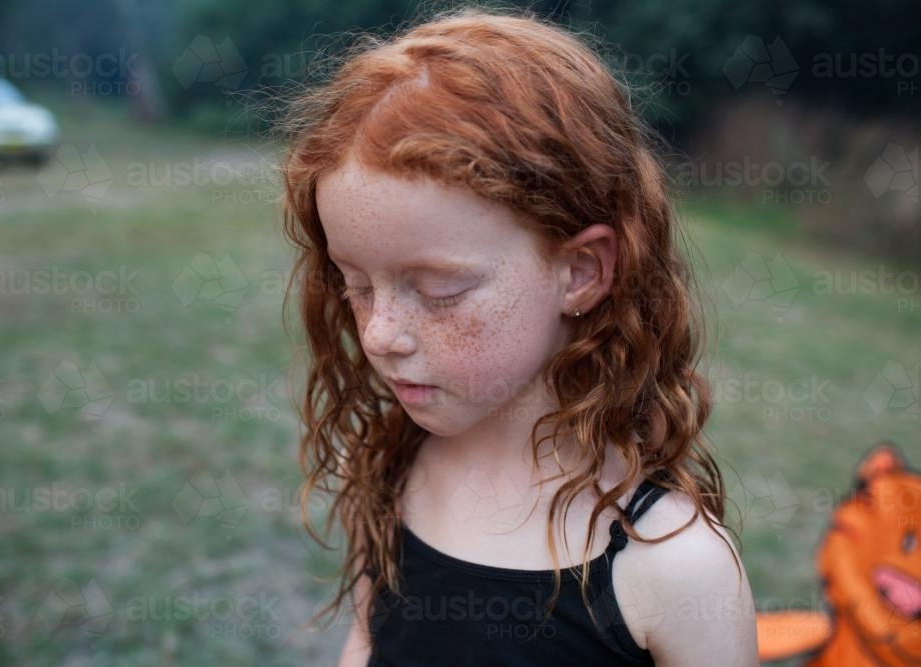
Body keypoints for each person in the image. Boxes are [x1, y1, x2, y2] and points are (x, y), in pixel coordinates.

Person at [275, 5, 758, 666]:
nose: (379, 333)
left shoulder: (675, 565)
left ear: (581, 271)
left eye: (438, 288)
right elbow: (366, 639)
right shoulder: (396, 469)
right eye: (355, 283)